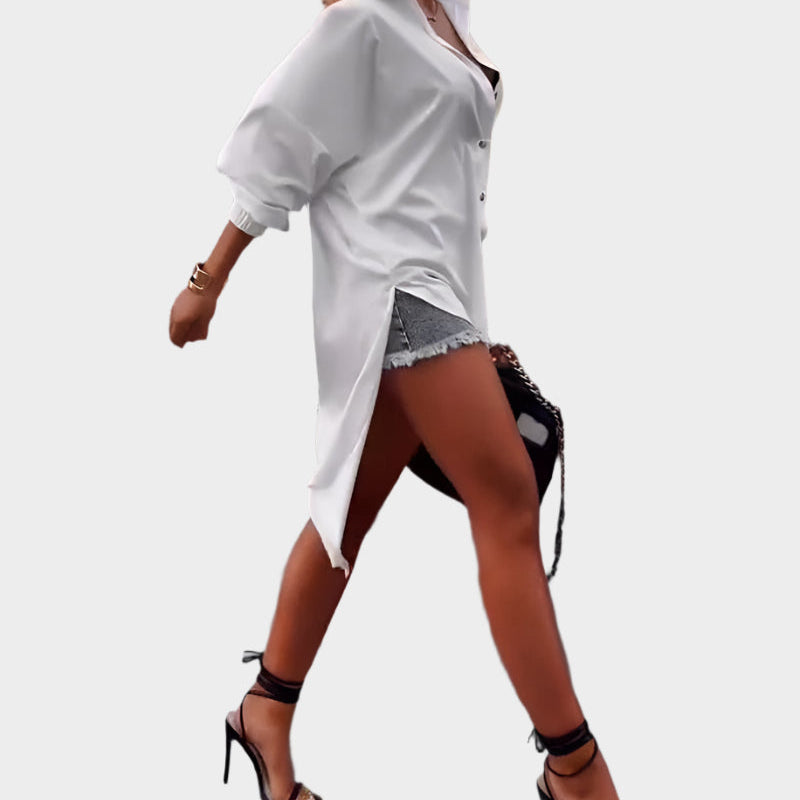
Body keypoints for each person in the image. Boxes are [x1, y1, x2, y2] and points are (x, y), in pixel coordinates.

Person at [168, 1, 620, 799]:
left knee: (347, 513)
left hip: (443, 296)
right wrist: (207, 282)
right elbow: (281, 142)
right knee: (508, 500)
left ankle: (265, 708)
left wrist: (474, 334)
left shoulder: (447, 15)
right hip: (395, 291)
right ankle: (575, 769)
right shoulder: (365, 22)